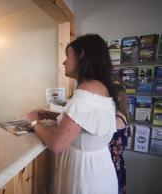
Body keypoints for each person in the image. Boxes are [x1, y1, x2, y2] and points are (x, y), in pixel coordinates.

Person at [26, 34, 118, 194]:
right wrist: (48, 115)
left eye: (67, 55)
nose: (64, 61)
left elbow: (56, 145)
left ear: (81, 55)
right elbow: (83, 122)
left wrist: (34, 123)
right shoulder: (103, 89)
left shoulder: (84, 95)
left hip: (84, 177)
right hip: (101, 171)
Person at [109, 83, 131, 194]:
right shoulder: (120, 115)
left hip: (113, 165)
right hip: (117, 163)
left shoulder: (117, 119)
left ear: (117, 98)